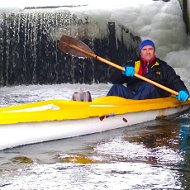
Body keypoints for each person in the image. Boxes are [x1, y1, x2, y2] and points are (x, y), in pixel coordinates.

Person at [107, 39, 189, 102]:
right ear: (140, 52)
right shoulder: (132, 64)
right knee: (116, 87)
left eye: (150, 49)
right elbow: (114, 79)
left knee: (148, 86)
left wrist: (182, 90)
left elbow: (175, 80)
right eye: (144, 49)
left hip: (154, 99)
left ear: (154, 51)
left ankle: (134, 110)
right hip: (133, 97)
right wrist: (122, 72)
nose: (147, 52)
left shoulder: (163, 67)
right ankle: (103, 111)